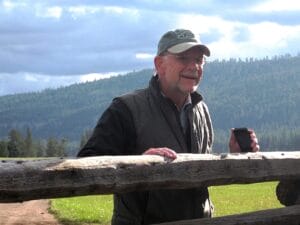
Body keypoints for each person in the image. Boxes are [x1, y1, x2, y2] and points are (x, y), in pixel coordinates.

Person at [77, 29, 260, 224]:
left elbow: (201, 173)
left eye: (199, 60)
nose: (194, 66)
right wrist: (137, 163)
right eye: (183, 58)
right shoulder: (125, 109)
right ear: (159, 64)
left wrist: (235, 157)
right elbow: (84, 166)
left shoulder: (201, 109)